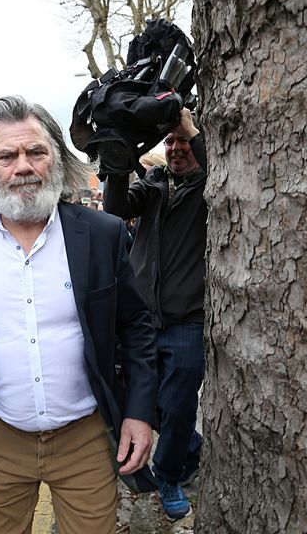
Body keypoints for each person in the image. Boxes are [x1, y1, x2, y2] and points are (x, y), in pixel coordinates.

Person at [0, 96, 157, 534]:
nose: (23, 166)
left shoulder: (101, 233)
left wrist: (140, 411)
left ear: (56, 159)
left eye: (36, 152)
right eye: (7, 155)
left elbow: (136, 325)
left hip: (86, 437)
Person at [103, 107, 206, 520]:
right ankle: (191, 448)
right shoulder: (154, 184)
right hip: (144, 319)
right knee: (144, 400)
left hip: (188, 320)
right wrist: (116, 161)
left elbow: (215, 163)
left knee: (178, 406)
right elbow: (114, 209)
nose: (177, 148)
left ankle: (167, 475)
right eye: (170, 142)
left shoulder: (211, 185)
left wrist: (190, 130)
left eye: (182, 142)